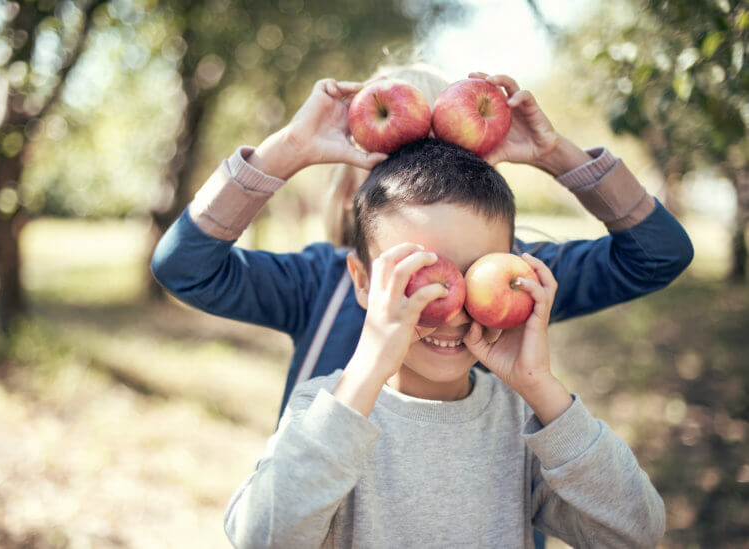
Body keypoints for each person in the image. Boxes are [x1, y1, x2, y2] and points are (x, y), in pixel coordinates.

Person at [149, 66, 694, 417]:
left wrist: (559, 156)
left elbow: (659, 255)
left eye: (449, 163)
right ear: (350, 189)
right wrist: (286, 149)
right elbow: (184, 268)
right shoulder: (322, 282)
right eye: (397, 166)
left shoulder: (517, 275)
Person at [222, 138, 666, 547]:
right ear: (363, 282)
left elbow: (637, 531)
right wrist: (366, 371)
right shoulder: (325, 411)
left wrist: (541, 387)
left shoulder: (527, 423)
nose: (451, 311)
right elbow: (261, 537)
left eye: (475, 274)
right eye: (418, 278)